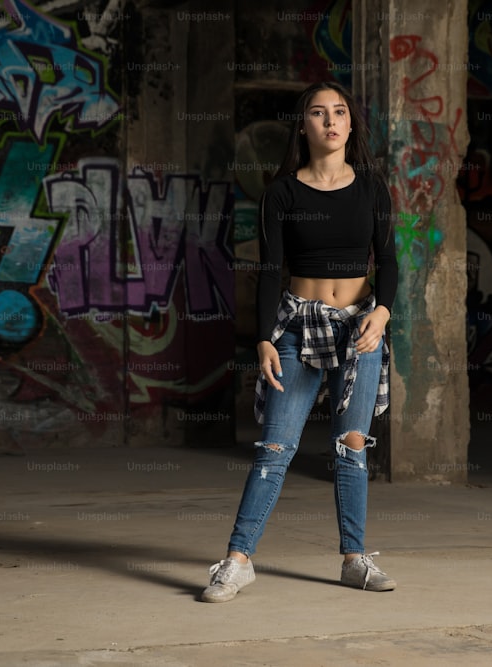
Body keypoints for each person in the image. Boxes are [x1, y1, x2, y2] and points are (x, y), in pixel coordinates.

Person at [201, 81, 399, 603]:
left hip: (359, 328)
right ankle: (238, 561)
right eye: (318, 112)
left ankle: (354, 559)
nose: (330, 120)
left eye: (339, 112)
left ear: (351, 124)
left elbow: (391, 263)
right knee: (275, 447)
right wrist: (265, 338)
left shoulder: (373, 187)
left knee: (351, 446)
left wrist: (381, 312)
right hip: (298, 326)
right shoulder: (282, 192)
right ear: (304, 126)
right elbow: (269, 271)